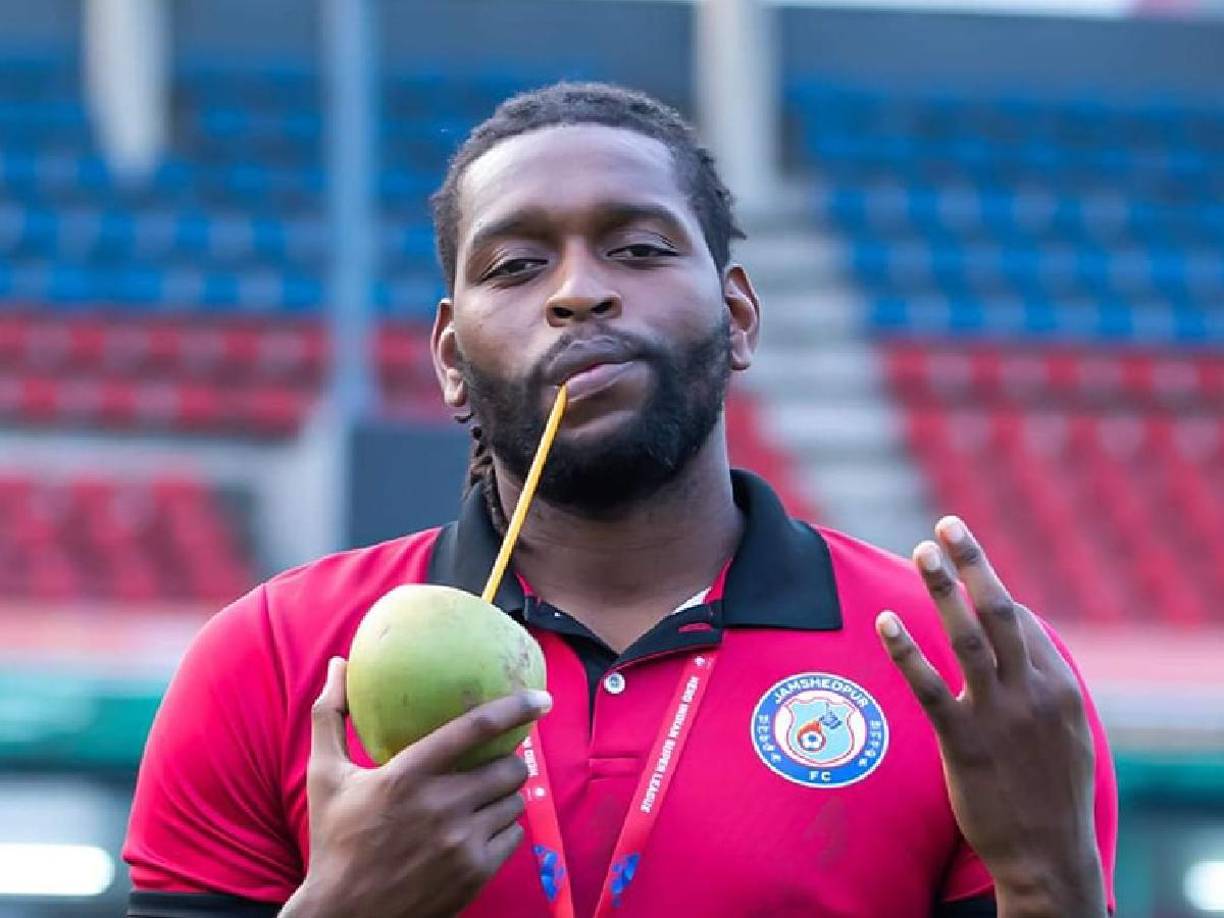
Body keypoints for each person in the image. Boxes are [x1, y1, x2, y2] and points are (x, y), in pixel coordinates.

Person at [124, 82, 1117, 918]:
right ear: (450, 361)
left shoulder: (960, 670)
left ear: (736, 319)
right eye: (516, 266)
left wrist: (1052, 881)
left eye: (638, 250)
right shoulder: (273, 658)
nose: (579, 294)